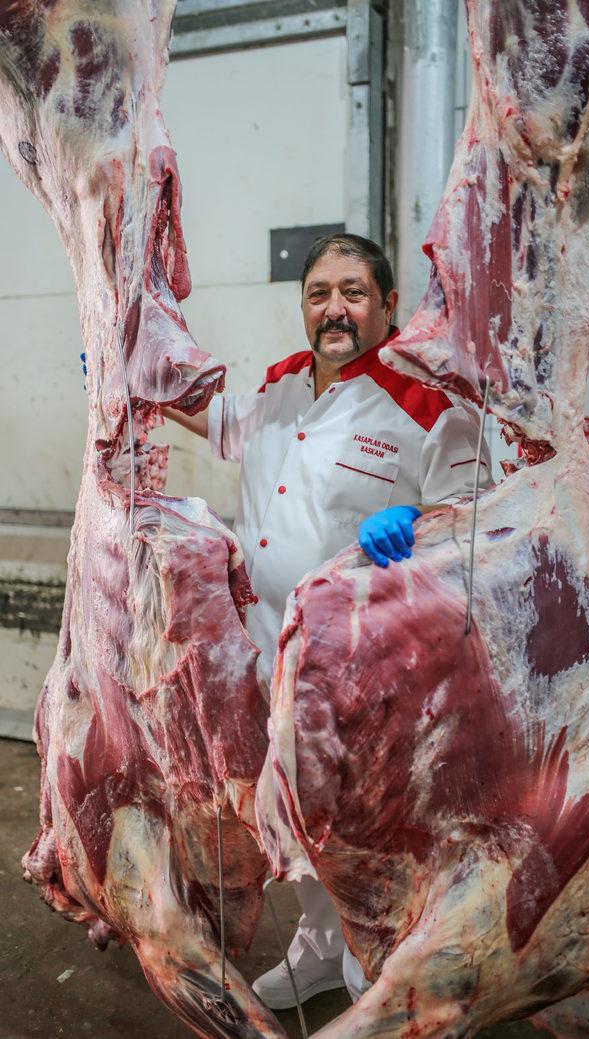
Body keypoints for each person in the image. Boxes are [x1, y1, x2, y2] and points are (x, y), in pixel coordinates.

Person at [163, 232, 491, 1008]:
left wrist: (417, 512)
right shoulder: (280, 388)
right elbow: (215, 422)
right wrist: (129, 384)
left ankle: (372, 978)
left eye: (352, 292)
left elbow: (474, 503)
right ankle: (317, 949)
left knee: (364, 830)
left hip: (363, 665)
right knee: (285, 812)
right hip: (262, 642)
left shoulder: (425, 400)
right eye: (318, 293)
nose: (334, 308)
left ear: (384, 305)